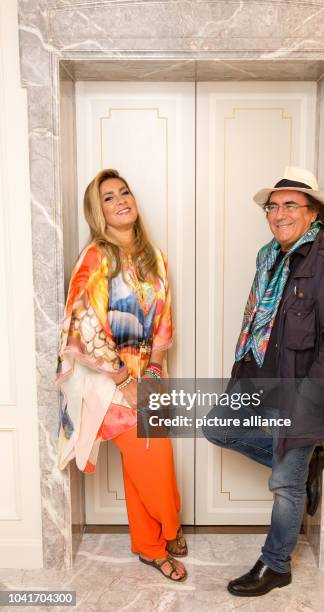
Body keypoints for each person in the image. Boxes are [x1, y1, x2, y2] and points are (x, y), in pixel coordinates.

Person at [203, 166, 324, 597]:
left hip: (301, 395)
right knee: (217, 428)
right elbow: (257, 321)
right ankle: (303, 466)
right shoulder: (267, 256)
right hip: (259, 382)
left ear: (313, 213)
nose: (278, 213)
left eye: (290, 204)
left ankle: (276, 565)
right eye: (272, 206)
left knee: (283, 486)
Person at [56, 168, 188, 582]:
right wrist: (124, 381)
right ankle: (171, 526)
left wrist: (151, 373)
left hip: (146, 375)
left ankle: (149, 547)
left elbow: (163, 322)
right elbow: (84, 324)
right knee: (152, 455)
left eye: (124, 192)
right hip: (107, 381)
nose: (121, 201)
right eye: (108, 198)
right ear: (99, 213)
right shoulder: (97, 257)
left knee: (140, 465)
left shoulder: (155, 257)